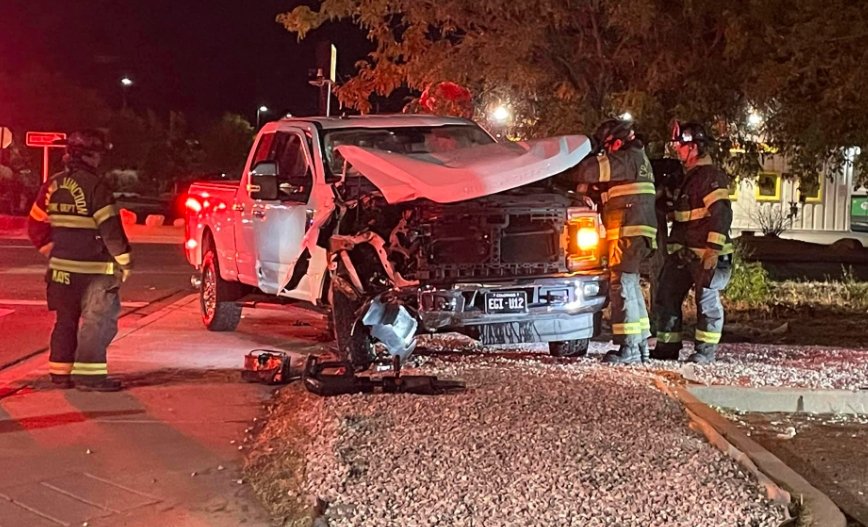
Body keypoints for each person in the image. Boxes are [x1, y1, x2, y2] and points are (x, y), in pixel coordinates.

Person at [27, 130, 132, 391]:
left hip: (61, 272)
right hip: (95, 272)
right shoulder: (96, 186)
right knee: (98, 322)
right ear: (89, 155)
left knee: (65, 320)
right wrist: (124, 262)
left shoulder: (53, 184)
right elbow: (110, 230)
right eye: (97, 155)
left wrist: (52, 249)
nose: (100, 160)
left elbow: (35, 225)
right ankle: (90, 376)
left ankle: (60, 374)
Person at [564, 119, 658, 364]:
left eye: (607, 147)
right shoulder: (639, 159)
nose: (607, 152)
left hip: (628, 233)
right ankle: (640, 346)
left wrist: (572, 162)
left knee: (622, 288)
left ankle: (628, 348)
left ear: (617, 142)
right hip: (637, 234)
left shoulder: (625, 160)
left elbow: (585, 171)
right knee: (631, 285)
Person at [651, 122, 733, 364]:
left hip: (707, 254)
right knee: (666, 297)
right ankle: (667, 347)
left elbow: (722, 214)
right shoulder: (686, 179)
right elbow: (677, 214)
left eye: (682, 146)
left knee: (706, 302)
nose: (678, 150)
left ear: (694, 148)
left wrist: (713, 251)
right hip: (683, 254)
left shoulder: (710, 177)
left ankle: (705, 353)